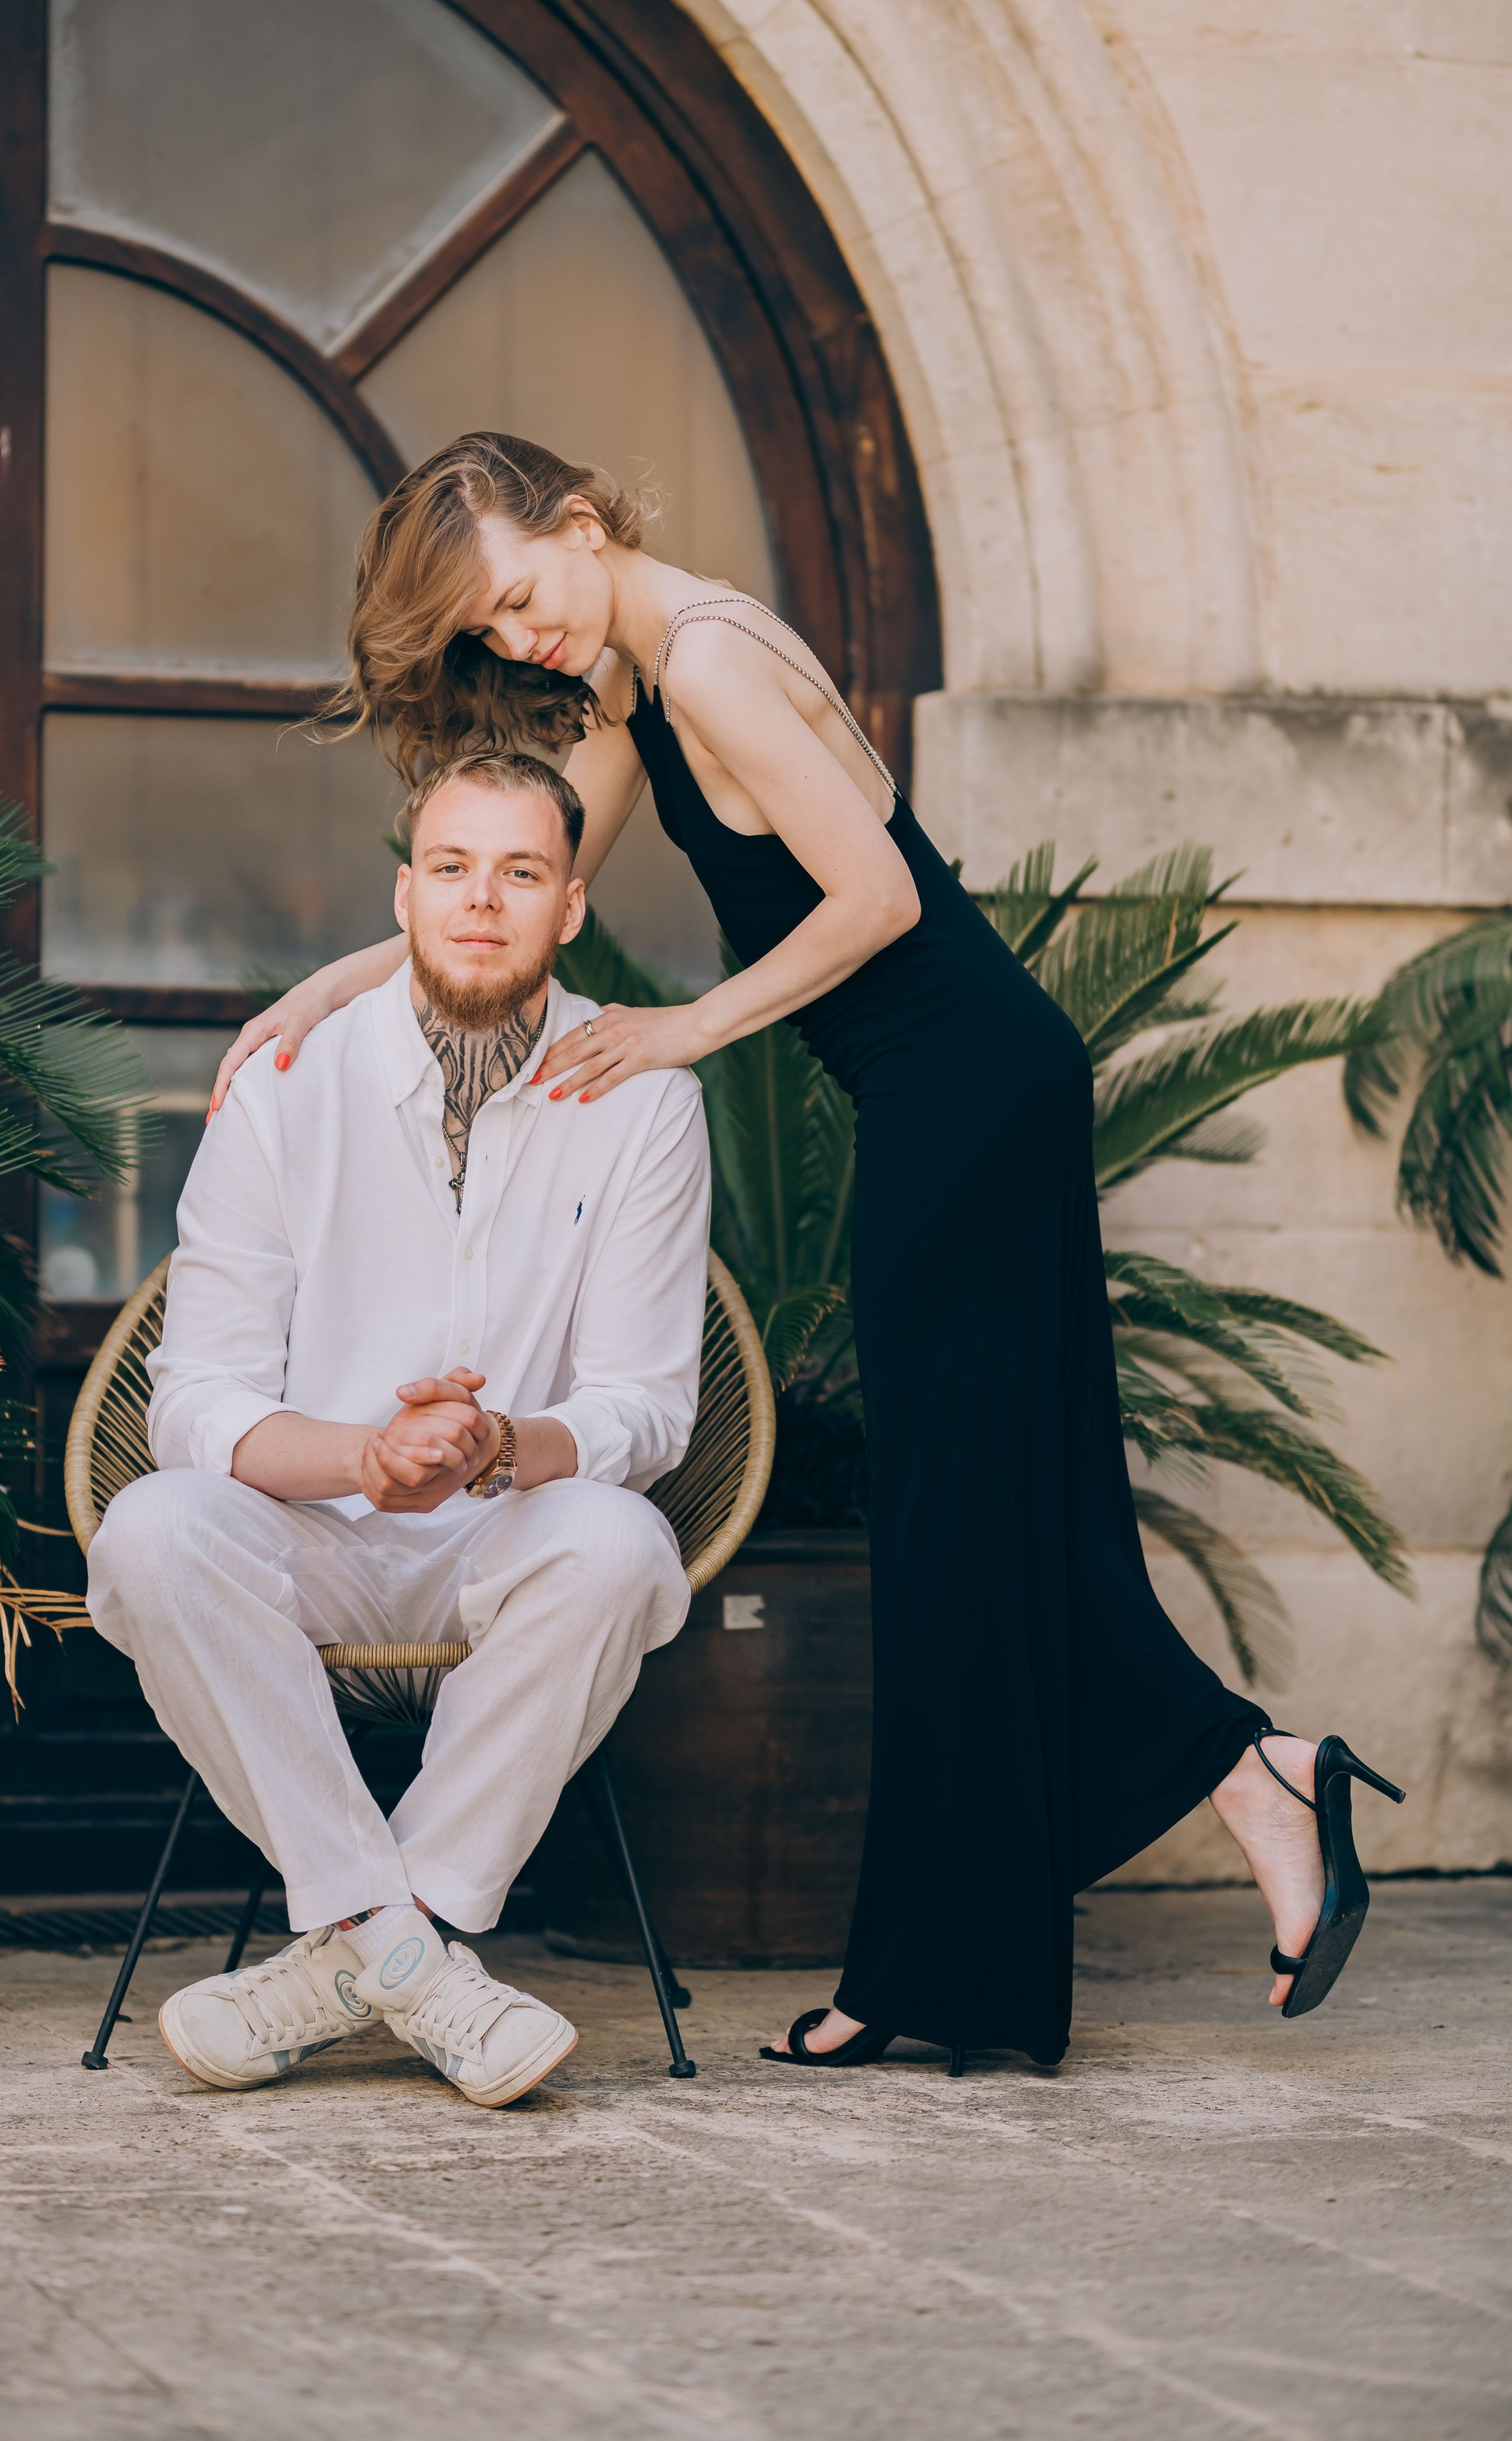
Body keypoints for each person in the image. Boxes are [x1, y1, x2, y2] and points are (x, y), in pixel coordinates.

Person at [211, 430, 1406, 2075]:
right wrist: (317, 995)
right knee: (989, 1523)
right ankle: (1219, 1799)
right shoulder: (642, 680)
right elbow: (541, 878)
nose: (520, 639)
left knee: (956, 1529)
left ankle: (1017, 1917)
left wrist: (683, 1029)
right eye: (487, 631)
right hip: (952, 1099)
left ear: (580, 522)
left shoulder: (706, 659)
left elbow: (879, 904)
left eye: (520, 595)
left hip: (963, 1095)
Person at [89, 749, 708, 2108]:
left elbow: (647, 1404)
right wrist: (364, 1459)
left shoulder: (647, 1095)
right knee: (151, 1532)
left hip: (508, 1531)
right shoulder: (286, 1083)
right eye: (451, 867)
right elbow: (195, 1393)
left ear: (572, 905)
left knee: (620, 1546)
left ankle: (354, 1955)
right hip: (311, 1531)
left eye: (521, 872)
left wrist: (501, 1447)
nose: (482, 899)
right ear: (406, 894)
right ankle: (408, 1950)